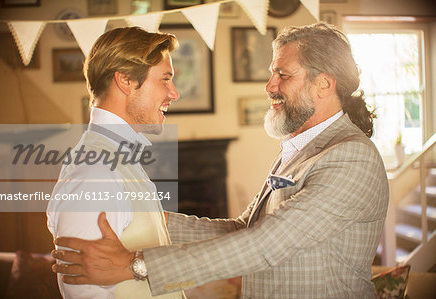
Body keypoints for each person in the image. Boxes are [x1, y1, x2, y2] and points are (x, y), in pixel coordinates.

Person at [51, 23, 389, 298]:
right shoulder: (299, 149)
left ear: (324, 84)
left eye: (283, 75)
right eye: (273, 73)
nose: (269, 85)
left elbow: (266, 242)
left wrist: (135, 265)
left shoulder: (350, 157)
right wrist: (155, 219)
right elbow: (246, 228)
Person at [46, 26, 186, 299]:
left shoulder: (120, 158)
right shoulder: (95, 171)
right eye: (165, 80)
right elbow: (85, 293)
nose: (174, 93)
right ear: (125, 81)